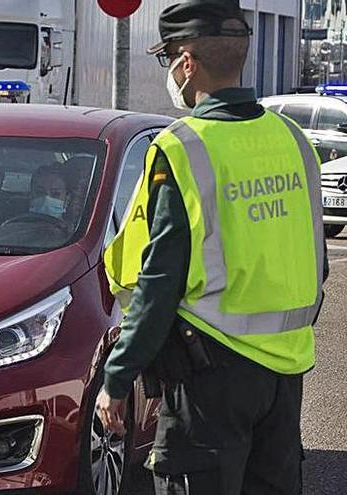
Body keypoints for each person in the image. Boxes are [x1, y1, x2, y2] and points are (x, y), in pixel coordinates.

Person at [96, 1, 328, 494]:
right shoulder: (295, 140)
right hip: (284, 376)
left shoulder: (183, 148)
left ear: (186, 63)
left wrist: (120, 377)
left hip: (209, 379)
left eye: (168, 62)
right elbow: (318, 262)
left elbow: (159, 281)